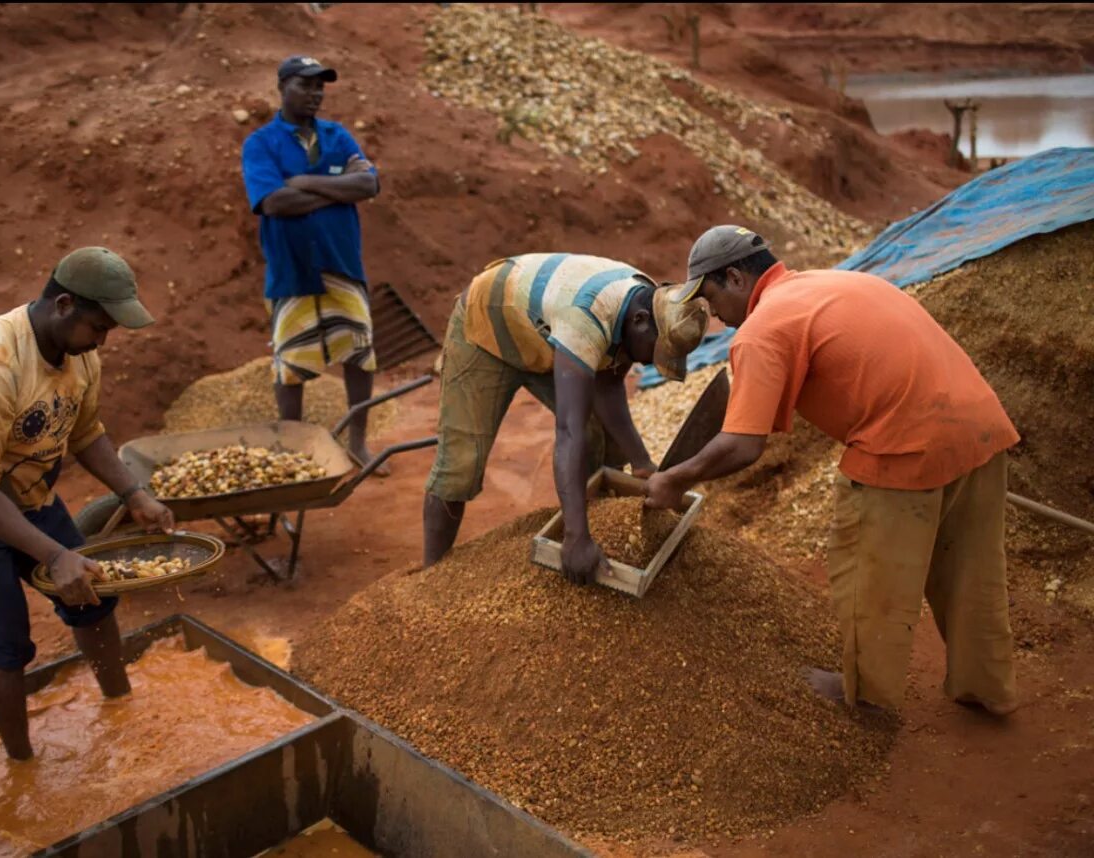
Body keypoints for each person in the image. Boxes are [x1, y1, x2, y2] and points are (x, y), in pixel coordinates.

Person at [646, 225, 1019, 715]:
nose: (712, 314)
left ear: (735, 277)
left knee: (868, 573)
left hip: (902, 446)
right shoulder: (835, 282)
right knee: (972, 572)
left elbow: (742, 446)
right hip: (981, 428)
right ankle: (986, 688)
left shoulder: (762, 329)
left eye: (710, 296)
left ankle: (865, 693)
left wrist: (674, 479)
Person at [0, 247, 175, 759]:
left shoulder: (80, 356)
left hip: (32, 495)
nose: (103, 340)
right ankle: (21, 764)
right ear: (63, 305)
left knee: (93, 600)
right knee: (4, 646)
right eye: (99, 326)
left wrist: (133, 492)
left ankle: (120, 706)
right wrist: (55, 555)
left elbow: (86, 432)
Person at [423, 253, 708, 581]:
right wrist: (575, 538)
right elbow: (568, 431)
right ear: (640, 320)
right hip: (489, 331)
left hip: (544, 334)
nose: (647, 364)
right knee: (462, 464)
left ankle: (590, 528)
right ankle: (430, 576)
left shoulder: (646, 305)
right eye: (654, 353)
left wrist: (641, 462)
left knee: (597, 438)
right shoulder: (587, 317)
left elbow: (609, 383)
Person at [241, 55, 384, 469]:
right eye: (306, 85)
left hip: (342, 264)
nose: (315, 93)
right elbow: (273, 202)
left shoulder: (337, 135)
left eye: (320, 86)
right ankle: (295, 450)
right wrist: (340, 187)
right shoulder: (261, 143)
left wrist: (304, 182)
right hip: (292, 268)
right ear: (282, 87)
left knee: (359, 353)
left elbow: (370, 183)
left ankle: (358, 441)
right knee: (290, 362)